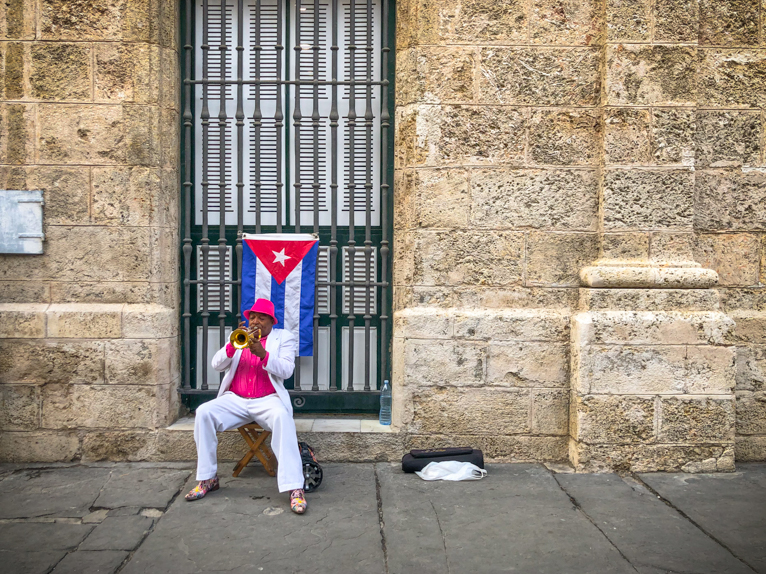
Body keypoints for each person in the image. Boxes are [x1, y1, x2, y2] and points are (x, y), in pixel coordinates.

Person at [185, 298, 307, 514]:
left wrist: (263, 354)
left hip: (267, 398)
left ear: (271, 321)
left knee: (282, 417)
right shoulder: (238, 338)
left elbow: (287, 370)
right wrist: (232, 346)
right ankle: (207, 479)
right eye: (252, 317)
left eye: (261, 318)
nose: (255, 322)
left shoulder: (283, 338)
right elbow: (216, 364)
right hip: (236, 399)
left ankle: (294, 488)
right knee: (204, 412)